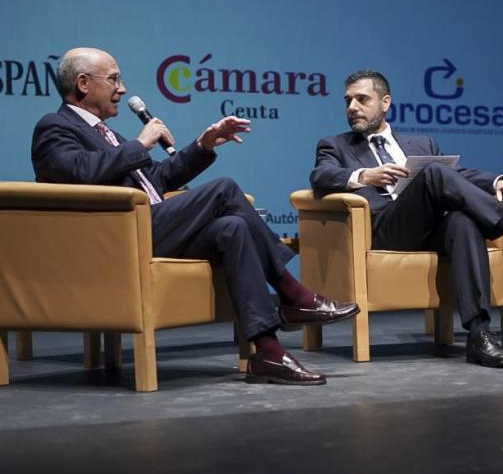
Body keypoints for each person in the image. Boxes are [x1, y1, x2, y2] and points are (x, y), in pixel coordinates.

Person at [32, 47, 360, 385]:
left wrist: (203, 146)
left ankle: (268, 352)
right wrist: (139, 145)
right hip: (115, 239)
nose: (123, 88)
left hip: (149, 227)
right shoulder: (55, 127)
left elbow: (155, 179)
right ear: (83, 83)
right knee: (224, 189)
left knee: (231, 228)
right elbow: (77, 172)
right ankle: (294, 295)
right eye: (114, 79)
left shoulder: (110, 134)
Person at [310, 70, 503, 368]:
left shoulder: (421, 144)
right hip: (383, 230)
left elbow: (454, 177)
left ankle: (479, 335)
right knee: (433, 173)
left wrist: (496, 180)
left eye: (362, 99)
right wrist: (364, 175)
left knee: (462, 220)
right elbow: (321, 176)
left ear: (385, 103)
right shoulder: (335, 145)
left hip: (428, 227)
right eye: (348, 101)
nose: (352, 107)